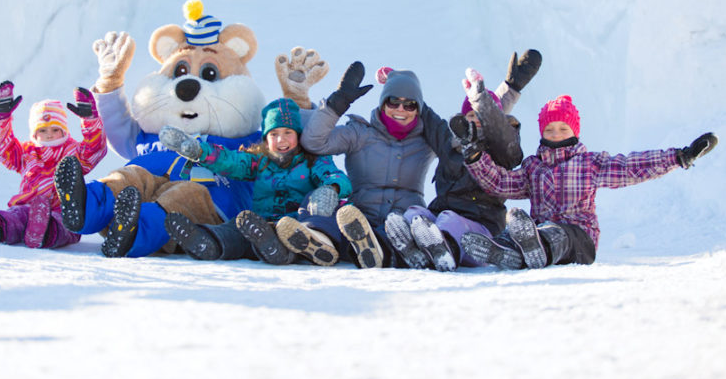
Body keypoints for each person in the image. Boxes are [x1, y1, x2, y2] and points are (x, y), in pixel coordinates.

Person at [456, 88, 718, 269]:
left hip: (580, 239)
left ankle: (531, 248)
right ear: (542, 132)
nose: (556, 134)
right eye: (549, 129)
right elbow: (500, 183)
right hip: (537, 232)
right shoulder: (533, 167)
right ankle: (506, 250)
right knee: (518, 231)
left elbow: (632, 167)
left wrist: (678, 157)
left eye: (562, 128)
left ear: (574, 130)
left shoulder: (589, 163)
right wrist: (474, 157)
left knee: (556, 234)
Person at [384, 52, 541, 271]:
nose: (475, 121)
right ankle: (412, 250)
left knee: (449, 221)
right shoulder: (450, 143)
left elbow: (500, 130)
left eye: (480, 117)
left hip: (480, 229)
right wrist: (400, 86)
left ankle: (443, 251)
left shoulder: (502, 149)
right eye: (470, 116)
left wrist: (483, 101)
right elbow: (427, 116)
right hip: (441, 217)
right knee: (415, 214)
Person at [161, 98, 352, 266]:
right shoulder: (259, 161)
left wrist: (331, 188)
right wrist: (199, 151)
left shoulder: (313, 160)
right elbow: (230, 161)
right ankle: (207, 242)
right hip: (259, 227)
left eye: (288, 132)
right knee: (237, 226)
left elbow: (334, 175)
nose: (281, 139)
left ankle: (278, 250)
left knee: (284, 234)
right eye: (274, 134)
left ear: (298, 135)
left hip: (296, 226)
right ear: (266, 139)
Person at [301, 63, 450, 268]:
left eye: (410, 105)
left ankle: (376, 249)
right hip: (357, 220)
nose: (400, 110)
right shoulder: (360, 133)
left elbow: (459, 143)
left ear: (419, 110)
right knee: (325, 212)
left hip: (402, 227)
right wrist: (339, 101)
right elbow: (314, 142)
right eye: (393, 101)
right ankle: (316, 240)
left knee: (406, 230)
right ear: (382, 103)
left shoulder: (427, 141)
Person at [0, 81, 107, 249]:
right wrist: (1, 119)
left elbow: (95, 149)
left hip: (62, 212)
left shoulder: (72, 152)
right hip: (28, 208)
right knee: (16, 218)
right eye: (43, 130)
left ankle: (44, 232)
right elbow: (2, 147)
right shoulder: (26, 152)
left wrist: (90, 120)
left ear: (64, 130)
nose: (49, 135)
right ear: (34, 132)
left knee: (62, 227)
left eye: (55, 129)